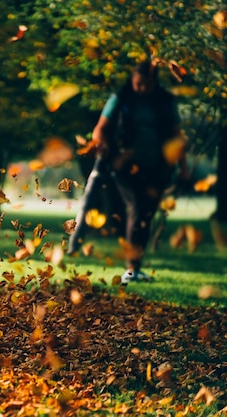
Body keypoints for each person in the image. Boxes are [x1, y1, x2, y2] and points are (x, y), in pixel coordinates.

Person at [77, 59, 189, 284]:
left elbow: (176, 134)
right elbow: (100, 127)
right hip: (124, 163)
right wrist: (99, 143)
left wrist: (183, 166)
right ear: (132, 79)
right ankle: (131, 269)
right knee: (138, 208)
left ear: (154, 82)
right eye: (138, 84)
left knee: (146, 213)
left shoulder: (165, 100)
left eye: (146, 84)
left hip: (157, 165)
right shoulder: (121, 97)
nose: (141, 89)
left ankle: (135, 267)